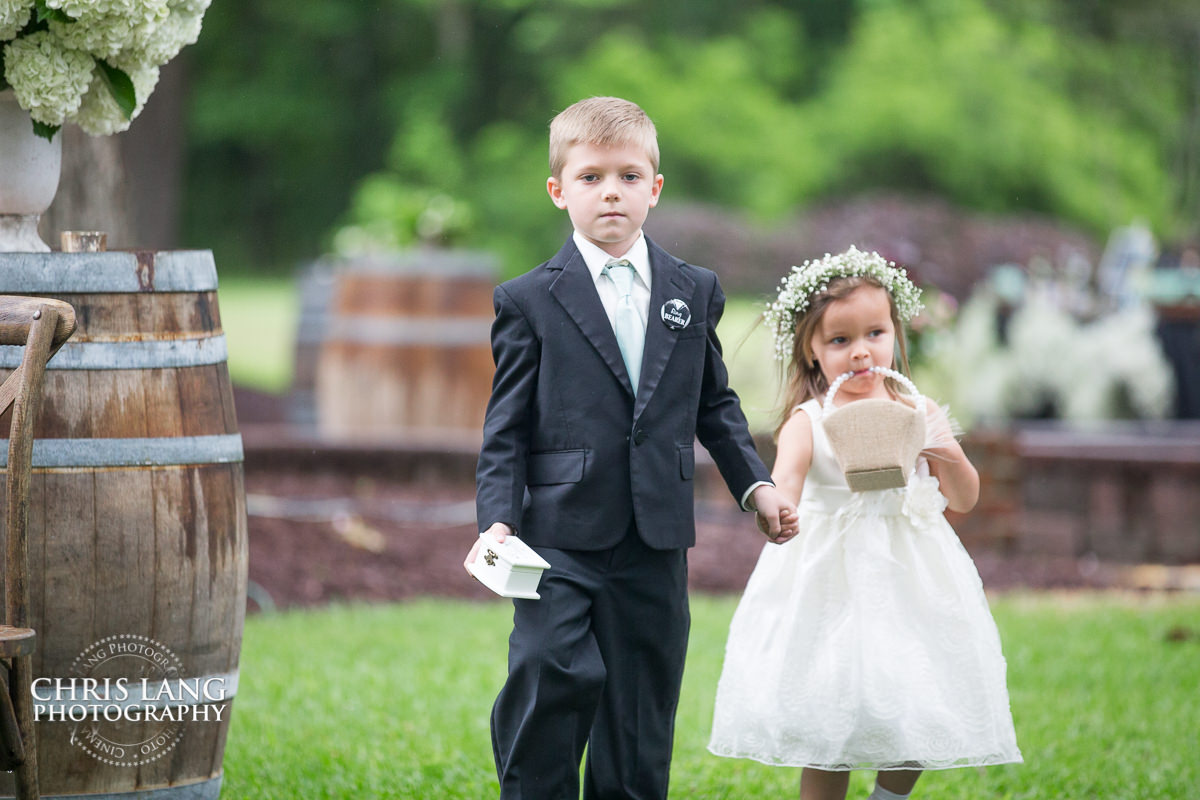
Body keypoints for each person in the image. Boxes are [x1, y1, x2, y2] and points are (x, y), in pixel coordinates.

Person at [466, 96, 799, 800]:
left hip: (655, 537)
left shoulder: (692, 289)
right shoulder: (528, 300)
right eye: (590, 177)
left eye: (627, 175)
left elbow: (715, 404)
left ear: (655, 187)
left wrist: (756, 486)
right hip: (558, 534)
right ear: (558, 191)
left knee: (640, 707)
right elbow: (506, 428)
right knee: (553, 670)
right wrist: (498, 517)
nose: (610, 191)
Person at [708, 247, 1022, 800]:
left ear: (896, 334)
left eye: (875, 334)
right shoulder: (811, 419)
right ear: (811, 350)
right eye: (839, 340)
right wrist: (774, 509)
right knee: (833, 711)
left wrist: (940, 444)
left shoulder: (916, 408)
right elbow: (787, 482)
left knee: (922, 694)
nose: (861, 353)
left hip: (912, 572)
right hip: (833, 575)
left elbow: (966, 497)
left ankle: (888, 795)